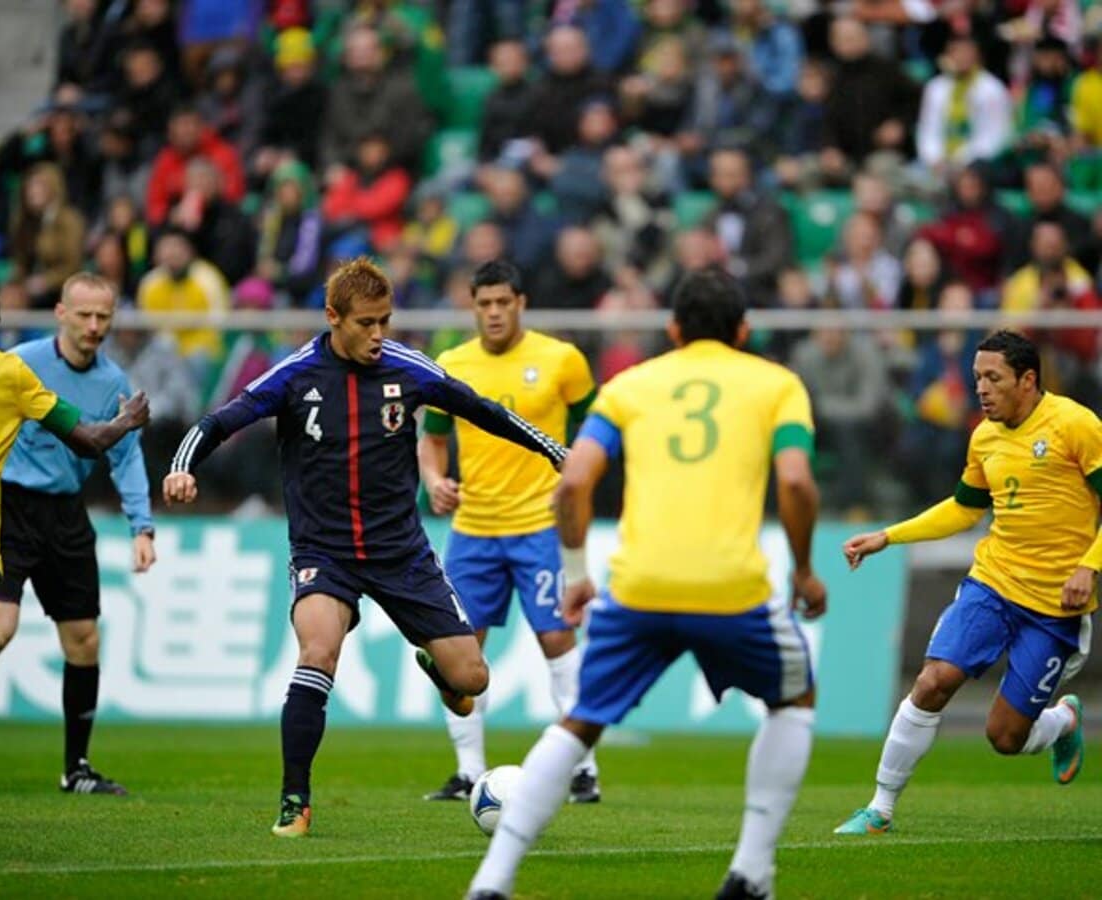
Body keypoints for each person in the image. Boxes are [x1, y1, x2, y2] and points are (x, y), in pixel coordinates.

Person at [162, 257, 569, 838]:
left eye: (386, 321)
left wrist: (553, 450)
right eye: (367, 323)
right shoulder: (296, 374)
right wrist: (182, 468)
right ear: (333, 318)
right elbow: (219, 422)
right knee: (317, 655)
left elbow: (485, 412)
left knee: (472, 681)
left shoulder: (410, 369)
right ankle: (294, 800)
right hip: (323, 553)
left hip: (401, 553)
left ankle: (436, 663)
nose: (380, 335)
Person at [466, 266, 827, 900]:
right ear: (743, 330)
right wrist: (802, 569)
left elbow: (574, 481)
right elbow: (796, 481)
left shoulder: (632, 385)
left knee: (579, 723)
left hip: (637, 588)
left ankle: (492, 882)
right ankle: (751, 872)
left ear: (673, 328)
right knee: (793, 700)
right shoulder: (777, 385)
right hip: (730, 589)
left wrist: (576, 576)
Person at [0, 276, 149, 847]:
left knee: (82, 638)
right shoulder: (13, 367)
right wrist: (126, 421)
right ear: (59, 313)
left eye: (103, 316)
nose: (93, 326)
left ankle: (73, 767)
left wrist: (143, 524)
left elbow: (126, 462)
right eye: (84, 314)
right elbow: (92, 439)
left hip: (54, 517)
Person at [835, 330, 1093, 836]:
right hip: (993, 585)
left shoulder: (1075, 425)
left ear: (1028, 379)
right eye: (978, 377)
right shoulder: (985, 436)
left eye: (993, 378)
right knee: (933, 681)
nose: (982, 388)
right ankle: (880, 808)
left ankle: (1062, 721)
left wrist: (1090, 565)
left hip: (1053, 606)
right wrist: (888, 536)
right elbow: (964, 509)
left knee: (1004, 736)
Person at [418, 260, 601, 804]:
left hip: (540, 526)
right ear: (472, 307)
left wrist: (576, 480)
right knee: (458, 651)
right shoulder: (451, 364)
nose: (494, 313)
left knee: (557, 639)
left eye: (503, 302)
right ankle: (469, 771)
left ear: (521, 303)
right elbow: (433, 437)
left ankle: (582, 768)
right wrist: (433, 479)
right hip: (473, 530)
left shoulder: (562, 360)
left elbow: (595, 431)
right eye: (484, 304)